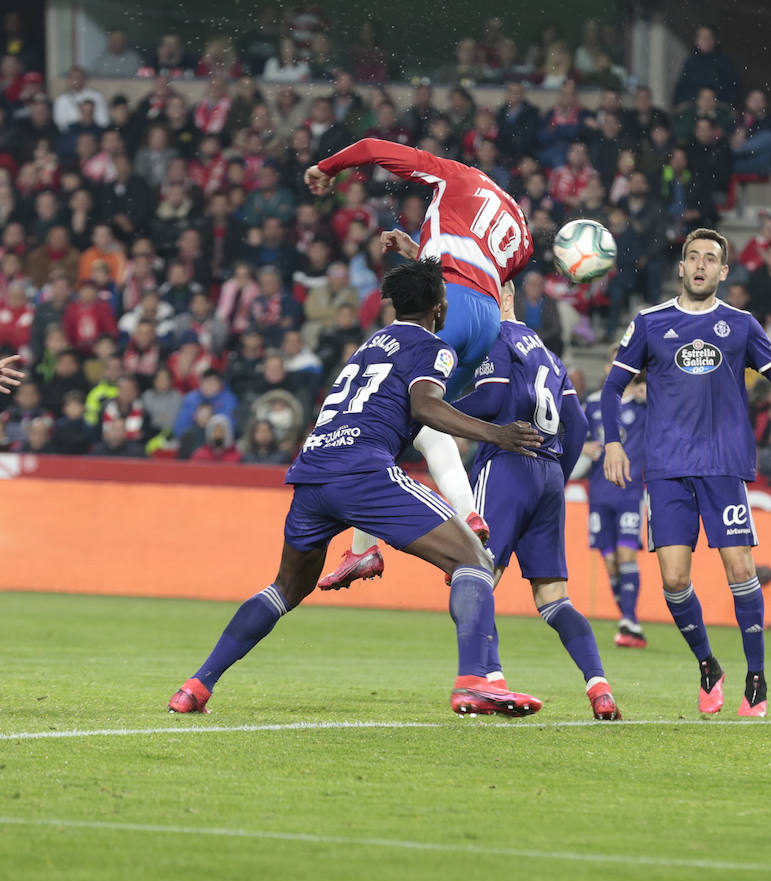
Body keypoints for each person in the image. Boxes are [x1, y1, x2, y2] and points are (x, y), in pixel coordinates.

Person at [167, 259, 544, 716]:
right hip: (362, 471)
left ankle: (196, 687)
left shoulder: (367, 346)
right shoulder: (433, 347)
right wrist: (497, 434)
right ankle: (474, 683)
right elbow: (426, 406)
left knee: (286, 587)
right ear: (439, 310)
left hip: (313, 472)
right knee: (475, 559)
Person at [599, 229, 771, 717]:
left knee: (742, 569)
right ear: (683, 268)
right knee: (672, 580)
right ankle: (709, 666)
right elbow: (610, 389)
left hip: (722, 466)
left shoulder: (742, 325)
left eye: (711, 259)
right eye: (693, 258)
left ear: (724, 271)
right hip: (666, 470)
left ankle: (756, 678)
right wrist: (612, 442)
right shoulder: (649, 323)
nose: (701, 266)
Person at [305, 139, 532, 588]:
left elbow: (372, 147)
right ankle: (363, 548)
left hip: (449, 303)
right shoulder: (520, 231)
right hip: (485, 319)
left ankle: (465, 520)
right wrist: (417, 253)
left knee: (399, 413)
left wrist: (328, 168)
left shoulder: (454, 175)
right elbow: (477, 268)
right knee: (418, 421)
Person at [451, 281, 621, 720]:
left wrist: (440, 408)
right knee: (555, 599)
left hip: (507, 464)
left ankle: (489, 680)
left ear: (504, 299)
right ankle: (598, 685)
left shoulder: (497, 339)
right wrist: (555, 480)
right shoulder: (548, 353)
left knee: (475, 573)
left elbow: (490, 398)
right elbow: (579, 426)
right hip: (547, 475)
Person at [584, 370, 649, 648]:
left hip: (630, 492)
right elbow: (574, 435)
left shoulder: (643, 404)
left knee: (626, 554)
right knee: (610, 563)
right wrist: (582, 446)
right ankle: (629, 622)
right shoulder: (593, 403)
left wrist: (649, 393)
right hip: (598, 491)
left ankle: (629, 619)